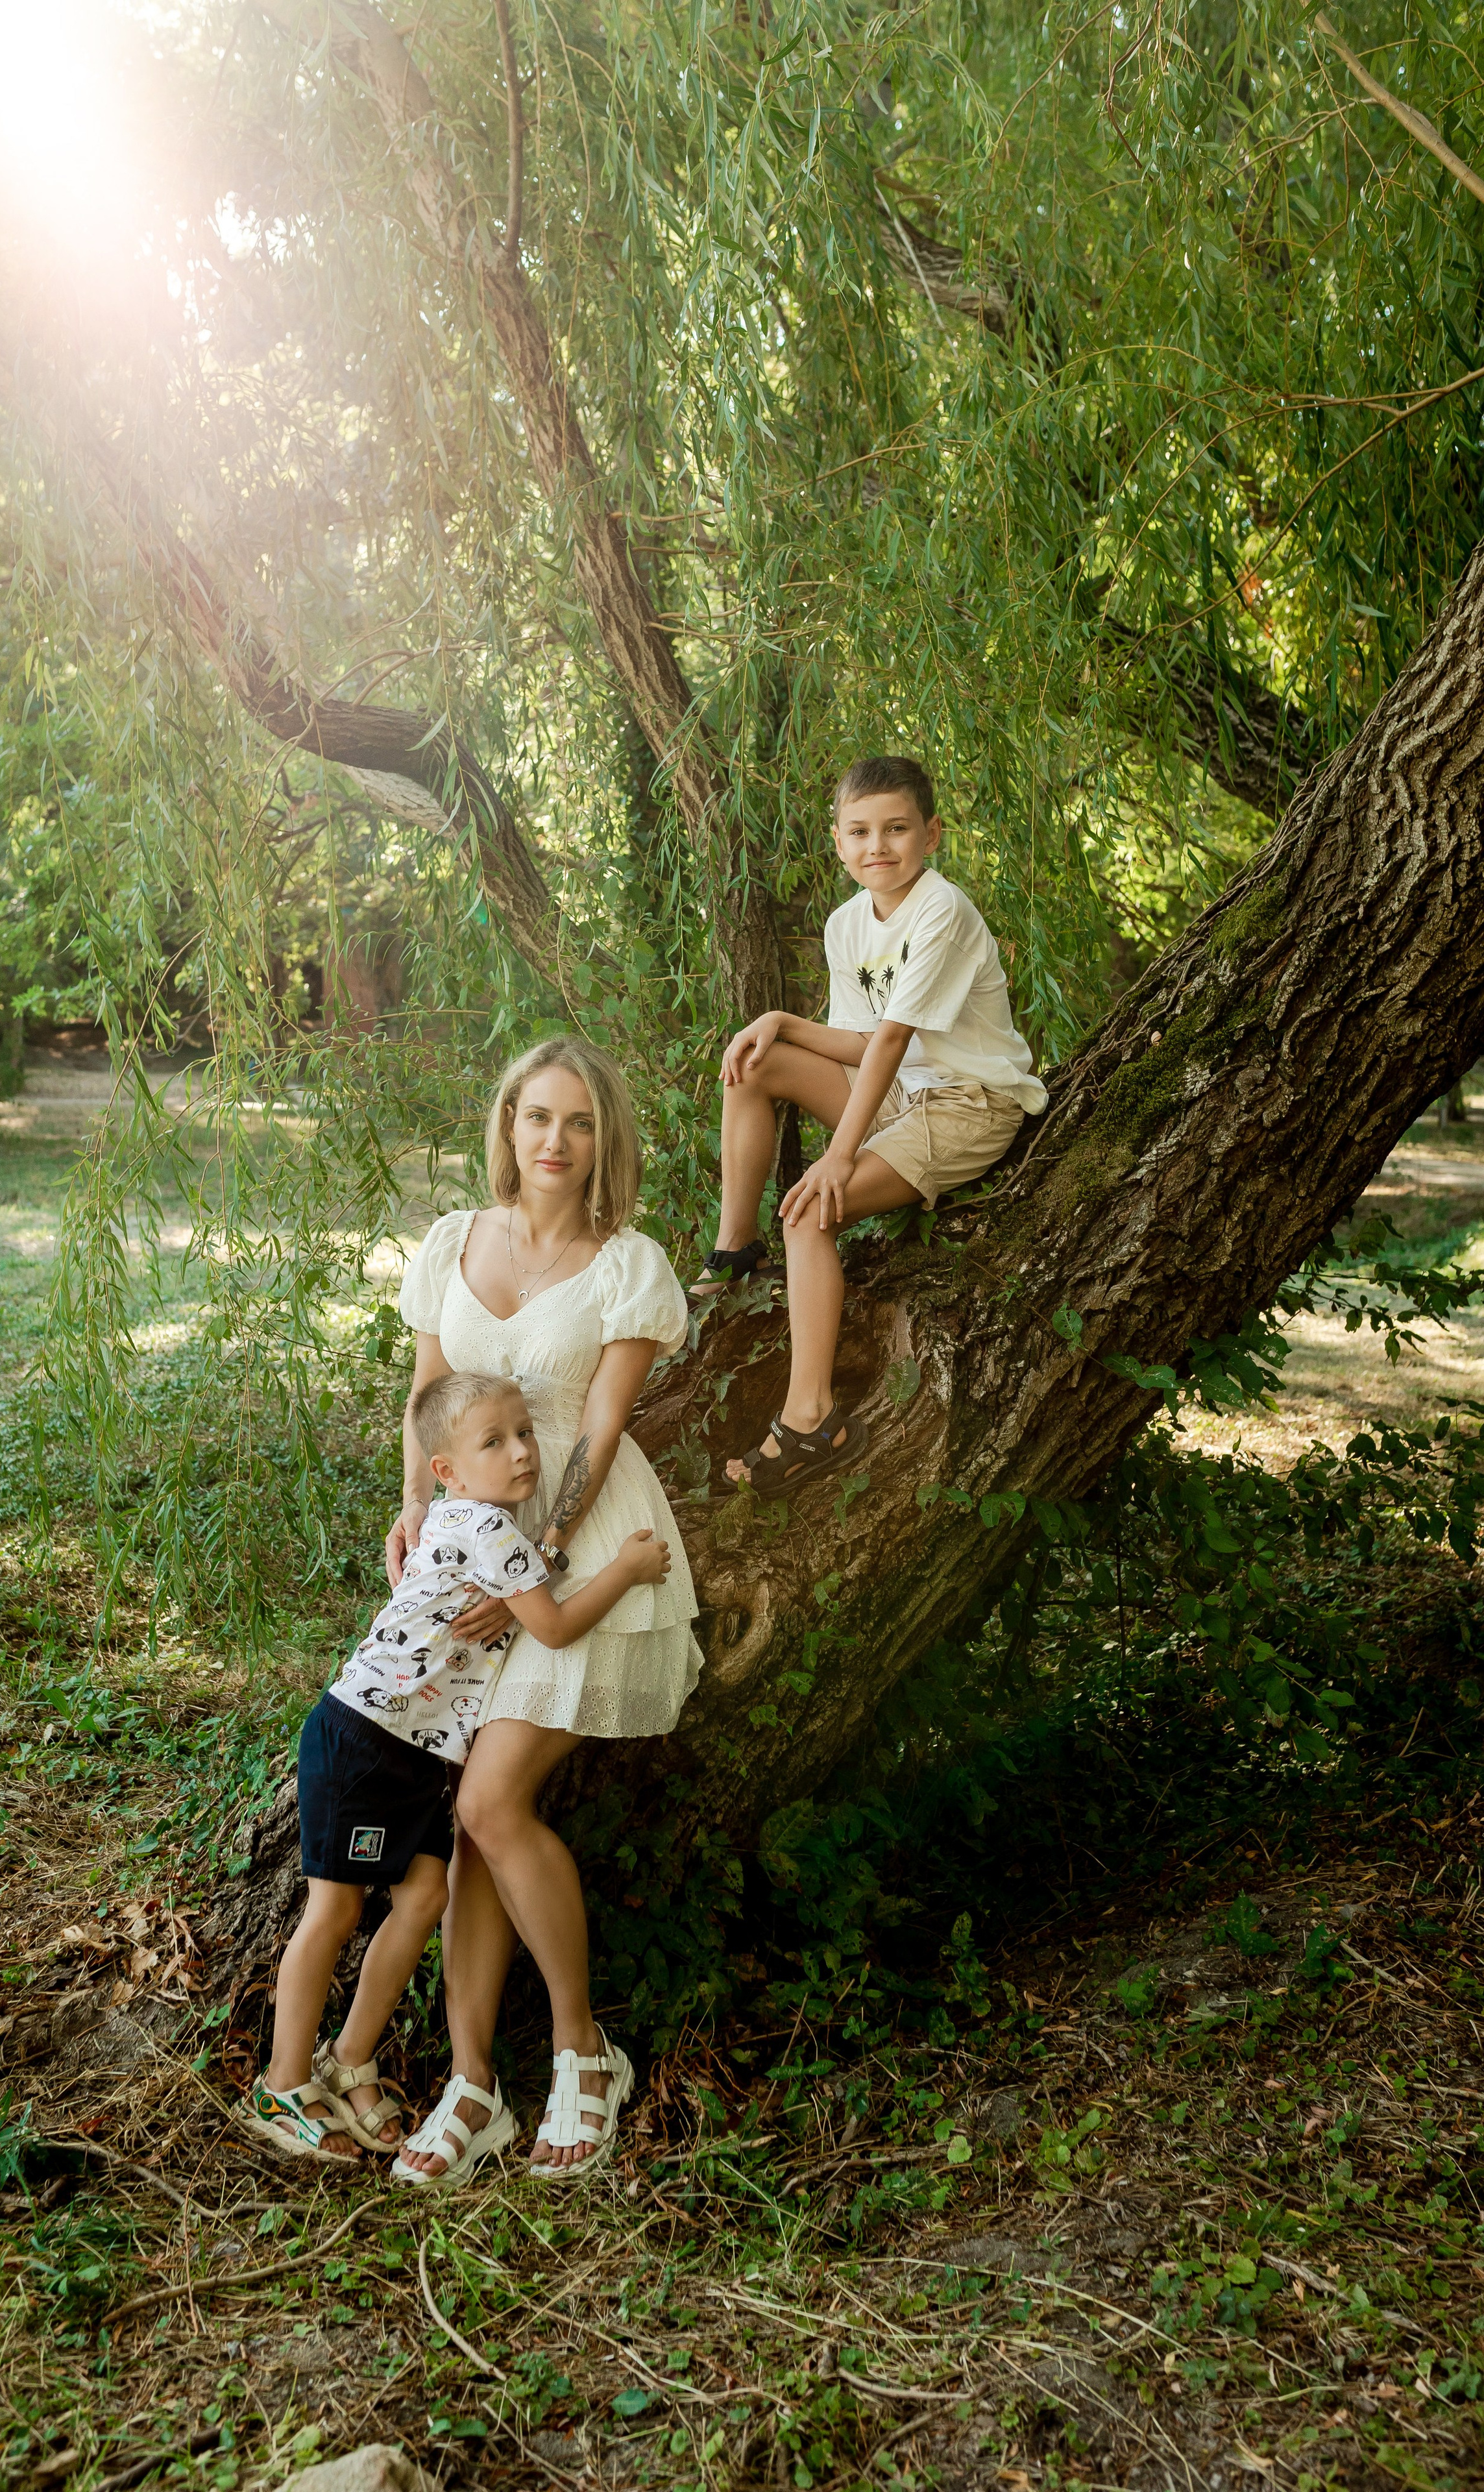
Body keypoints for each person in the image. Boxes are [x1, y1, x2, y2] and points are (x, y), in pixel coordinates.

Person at [384, 1035, 701, 2186]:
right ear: (507, 1123)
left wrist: (538, 1571)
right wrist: (418, 1519)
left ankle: (583, 2053)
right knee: (465, 1826)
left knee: (490, 1797)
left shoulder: (628, 1267)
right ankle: (474, 2088)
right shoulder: (450, 1242)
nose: (553, 1142)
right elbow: (429, 1399)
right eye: (535, 1118)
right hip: (463, 1563)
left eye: (577, 1123)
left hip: (573, 1554)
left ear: (602, 1139)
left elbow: (604, 1429)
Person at [243, 1367, 671, 2165]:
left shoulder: (455, 1518)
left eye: (524, 1434)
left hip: (410, 1756)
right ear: (446, 1470)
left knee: (423, 1899)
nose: (520, 1454)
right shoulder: (490, 1530)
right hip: (366, 1743)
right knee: (333, 1912)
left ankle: (350, 2060)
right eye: (492, 1442)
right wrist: (625, 1569)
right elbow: (553, 1628)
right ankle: (283, 2082)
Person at [695, 754, 1048, 1488]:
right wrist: (779, 1020)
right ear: (837, 842)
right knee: (752, 1063)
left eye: (895, 829)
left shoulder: (941, 910)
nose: (877, 846)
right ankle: (734, 1249)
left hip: (968, 1103)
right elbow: (861, 1042)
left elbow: (889, 1042)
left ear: (931, 836)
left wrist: (838, 1157)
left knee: (811, 1211)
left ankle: (809, 1420)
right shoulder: (846, 923)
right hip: (898, 1092)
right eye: (859, 831)